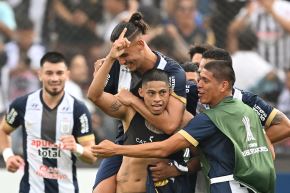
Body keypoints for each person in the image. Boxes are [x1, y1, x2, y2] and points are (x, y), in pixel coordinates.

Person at [92, 60, 276, 193]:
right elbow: (270, 152)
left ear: (224, 85)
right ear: (141, 92)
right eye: (198, 80)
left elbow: (165, 148)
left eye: (204, 80)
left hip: (227, 185)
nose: (198, 85)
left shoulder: (208, 119)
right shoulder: (246, 110)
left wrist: (116, 149)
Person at [87, 12, 189, 193]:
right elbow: (95, 95)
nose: (123, 61)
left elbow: (170, 124)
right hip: (125, 139)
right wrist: (109, 60)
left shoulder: (173, 72)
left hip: (160, 146)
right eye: (118, 56)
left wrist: (133, 100)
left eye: (125, 55)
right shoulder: (118, 62)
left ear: (141, 45)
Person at [0, 51, 96, 193]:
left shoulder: (78, 109)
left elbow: (92, 156)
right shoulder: (22, 104)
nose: (54, 78)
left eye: (59, 73)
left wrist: (76, 148)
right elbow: (3, 130)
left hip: (66, 189)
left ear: (67, 75)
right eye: (49, 73)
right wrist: (8, 156)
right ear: (40, 74)